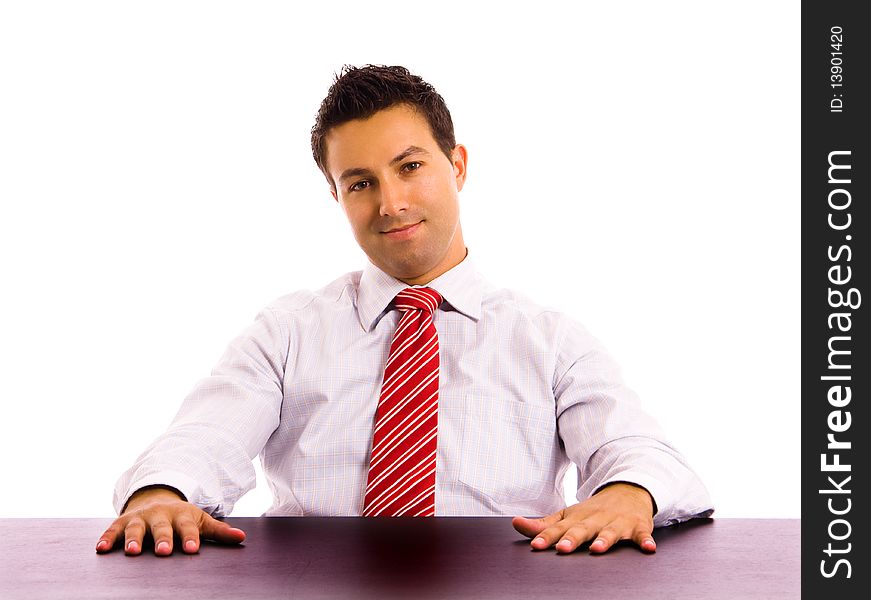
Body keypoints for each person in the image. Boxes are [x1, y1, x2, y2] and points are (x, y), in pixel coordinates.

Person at [96, 65, 713, 558]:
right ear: (336, 196)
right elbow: (204, 438)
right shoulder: (286, 334)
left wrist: (629, 494)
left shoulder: (549, 340)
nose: (390, 203)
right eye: (360, 182)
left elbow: (638, 447)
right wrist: (161, 493)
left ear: (458, 165)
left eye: (410, 167)